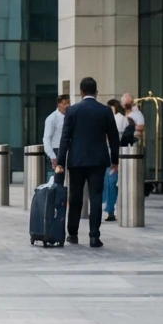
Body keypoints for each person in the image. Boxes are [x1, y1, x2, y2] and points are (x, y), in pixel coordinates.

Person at [55, 77, 121, 248]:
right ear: (96, 92)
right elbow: (114, 138)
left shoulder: (72, 111)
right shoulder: (105, 111)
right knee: (96, 197)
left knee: (75, 197)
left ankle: (73, 233)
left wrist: (60, 161)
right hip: (98, 161)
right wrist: (115, 160)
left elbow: (65, 139)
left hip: (76, 161)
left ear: (81, 92)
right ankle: (94, 236)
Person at [103, 99, 127, 222]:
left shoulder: (116, 118)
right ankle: (110, 209)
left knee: (110, 182)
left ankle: (110, 209)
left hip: (112, 154)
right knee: (112, 183)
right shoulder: (123, 119)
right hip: (121, 154)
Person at [43, 95, 71, 173]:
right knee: (55, 178)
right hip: (56, 151)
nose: (67, 106)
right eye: (64, 103)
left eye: (68, 103)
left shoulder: (71, 117)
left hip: (68, 151)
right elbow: (47, 138)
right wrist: (52, 156)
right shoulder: (52, 118)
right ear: (59, 105)